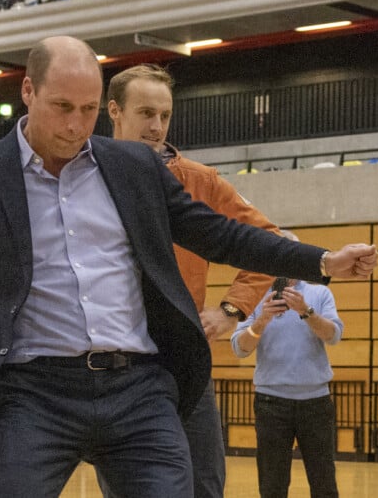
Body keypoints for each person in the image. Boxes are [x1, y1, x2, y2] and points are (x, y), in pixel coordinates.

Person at [0, 36, 377, 497]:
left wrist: (322, 261)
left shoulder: (134, 167)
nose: (76, 125)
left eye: (89, 109)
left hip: (138, 388)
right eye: (62, 107)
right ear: (28, 91)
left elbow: (221, 234)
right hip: (32, 395)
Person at [107, 63, 283, 498]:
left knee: (204, 485)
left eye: (164, 116)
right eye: (146, 113)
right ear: (114, 110)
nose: (156, 126)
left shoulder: (199, 181)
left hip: (184, 363)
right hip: (113, 365)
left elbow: (266, 240)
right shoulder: (86, 179)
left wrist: (231, 310)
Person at [231, 230, 343, 498]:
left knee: (324, 482)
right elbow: (239, 348)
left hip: (316, 402)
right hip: (271, 403)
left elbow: (333, 336)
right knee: (272, 485)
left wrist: (306, 311)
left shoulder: (319, 294)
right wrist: (261, 322)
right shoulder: (256, 297)